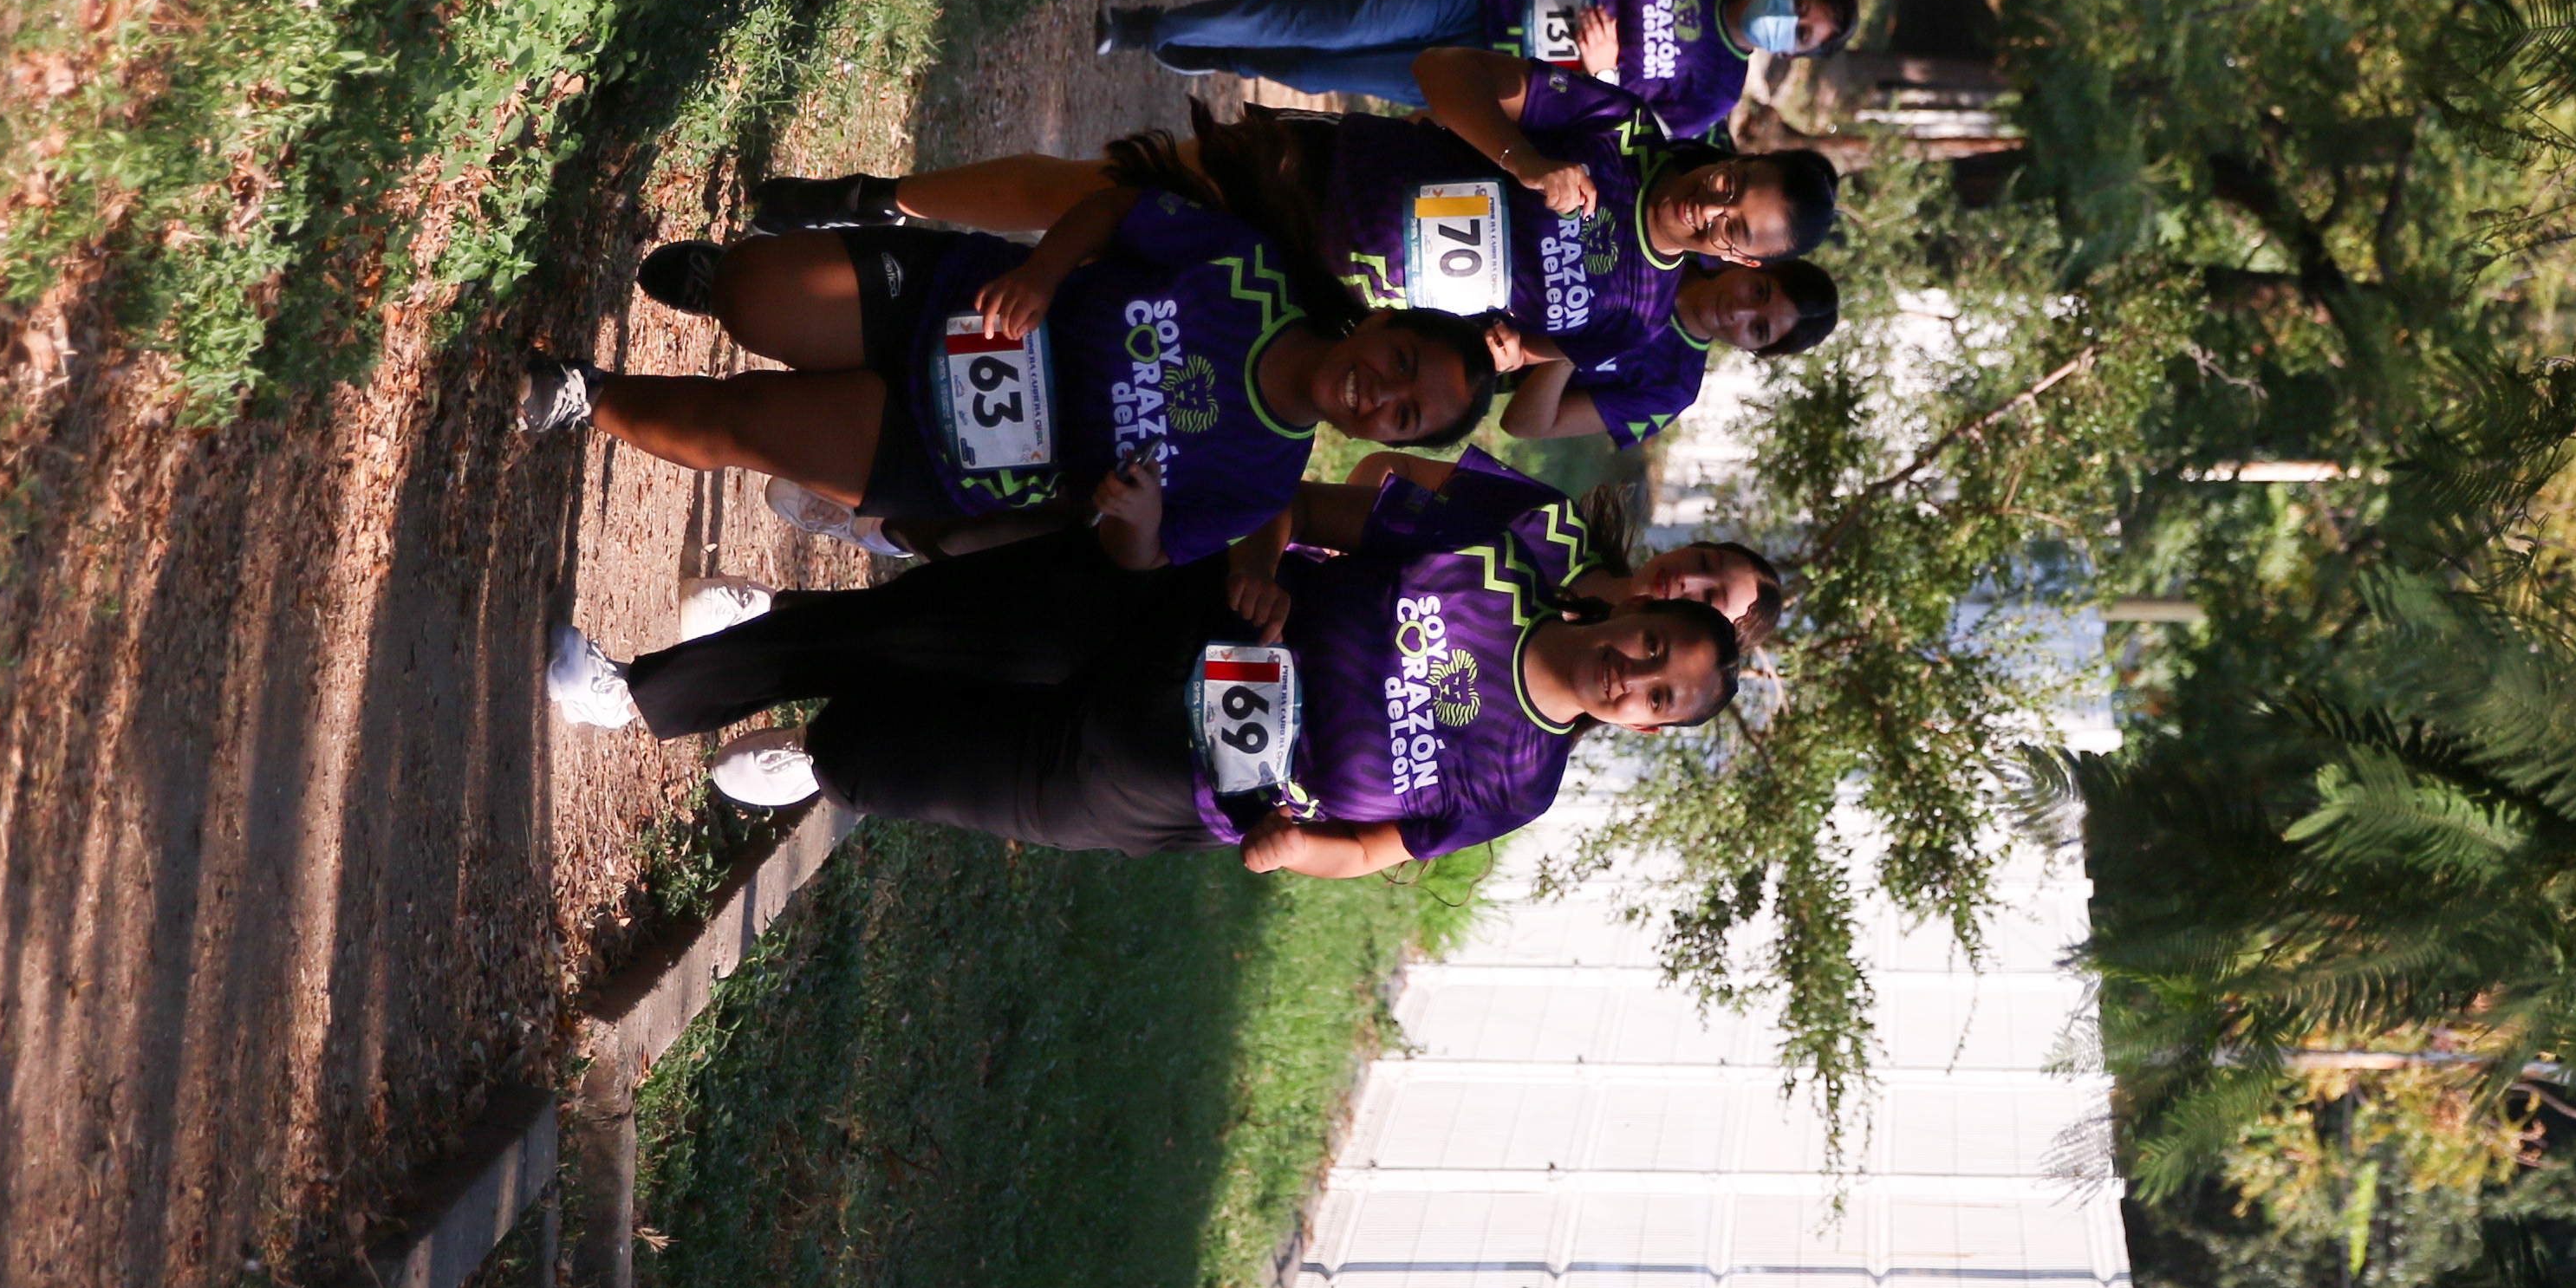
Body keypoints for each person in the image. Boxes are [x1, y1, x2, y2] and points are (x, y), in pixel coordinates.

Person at [540, 475, 1736, 868]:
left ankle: (816, 757)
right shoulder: (1504, 553)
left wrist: (1301, 850)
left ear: (1646, 730)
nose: (1639, 673)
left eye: (1663, 696)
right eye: (1657, 646)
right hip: (1161, 623)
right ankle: (641, 692)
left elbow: (1387, 850)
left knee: (898, 762)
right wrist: (1265, 563)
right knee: (896, 635)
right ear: (1639, 610)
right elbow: (1310, 498)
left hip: (1167, 781)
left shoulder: (1521, 785)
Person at [518, 185, 1493, 575]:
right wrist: (1041, 273)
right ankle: (728, 284)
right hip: (958, 298)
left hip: (969, 456)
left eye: (1403, 417)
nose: (1379, 391)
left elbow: (1137, 564)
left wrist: (1142, 520)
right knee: (756, 293)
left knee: (747, 424)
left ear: (1386, 445)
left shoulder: (1264, 484)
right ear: (1381, 323)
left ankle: (584, 394)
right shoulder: (1250, 272)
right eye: (1401, 361)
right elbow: (1115, 212)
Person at [752, 106, 1844, 450]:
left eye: (1746, 252)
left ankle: (903, 298)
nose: (1718, 216)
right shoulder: (1628, 127)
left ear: (1746, 263)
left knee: (1107, 297)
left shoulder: (1649, 348)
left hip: (1331, 314)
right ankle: (883, 201)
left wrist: (1526, 354)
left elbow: (1527, 413)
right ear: (1732, 160)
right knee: (1098, 189)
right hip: (1313, 187)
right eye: (1733, 183)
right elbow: (1453, 80)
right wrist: (1525, 158)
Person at [1104, 0, 1855, 145]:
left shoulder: (1714, 95)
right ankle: (1147, 28)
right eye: (1801, 5)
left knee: (1309, 69)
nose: (1791, 22)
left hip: (1492, 78)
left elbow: (1625, 139)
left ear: (1795, 52)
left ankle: (1211, 51)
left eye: (1803, 35)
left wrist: (1600, 75)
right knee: (1320, 18)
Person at [1339, 447, 1789, 639]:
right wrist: (1332, 551)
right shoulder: (1553, 521)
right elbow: (1392, 467)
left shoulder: (1568, 685)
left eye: (1708, 598)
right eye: (1705, 559)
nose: (1689, 577)